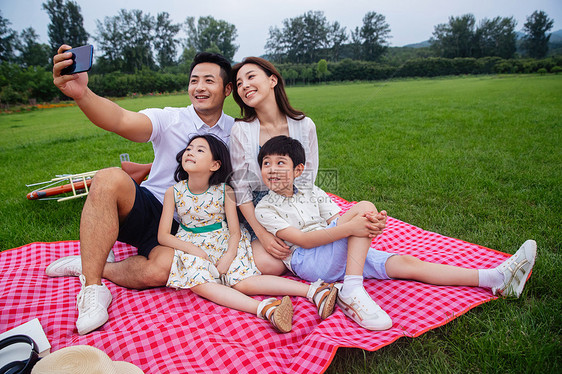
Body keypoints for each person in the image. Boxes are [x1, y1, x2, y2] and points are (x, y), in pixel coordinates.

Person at [254, 135, 537, 331]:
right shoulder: (265, 207)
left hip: (339, 250)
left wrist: (367, 227)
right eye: (266, 163)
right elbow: (302, 240)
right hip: (309, 261)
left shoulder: (314, 191)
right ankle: (352, 288)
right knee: (364, 207)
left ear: (299, 169)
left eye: (280, 162)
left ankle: (495, 279)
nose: (272, 169)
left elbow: (337, 218)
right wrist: (355, 226)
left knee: (406, 263)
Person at [45, 45, 235, 335]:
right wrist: (82, 94)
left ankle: (89, 264)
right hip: (152, 208)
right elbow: (121, 119)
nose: (199, 87)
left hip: (193, 228)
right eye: (194, 80)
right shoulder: (171, 119)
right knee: (108, 178)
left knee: (160, 271)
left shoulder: (238, 132)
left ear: (228, 89)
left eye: (209, 80)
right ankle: (93, 287)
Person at [158, 134, 339, 332]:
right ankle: (266, 308)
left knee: (242, 282)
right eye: (189, 148)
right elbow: (163, 236)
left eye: (200, 150)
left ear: (215, 165)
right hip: (190, 246)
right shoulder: (173, 192)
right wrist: (194, 250)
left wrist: (229, 255)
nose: (190, 152)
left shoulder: (225, 190)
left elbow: (235, 231)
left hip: (224, 241)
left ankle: (314, 291)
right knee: (198, 283)